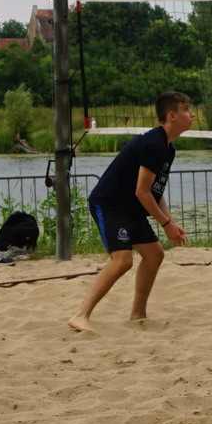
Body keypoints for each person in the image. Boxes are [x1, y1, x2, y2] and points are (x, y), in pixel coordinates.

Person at [69, 91, 193, 331]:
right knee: (122, 260)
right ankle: (80, 315)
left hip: (130, 206)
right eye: (187, 110)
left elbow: (154, 192)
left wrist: (170, 222)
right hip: (110, 202)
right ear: (172, 116)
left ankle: (137, 314)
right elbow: (142, 192)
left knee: (155, 254)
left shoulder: (168, 148)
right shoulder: (154, 144)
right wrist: (166, 225)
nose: (192, 115)